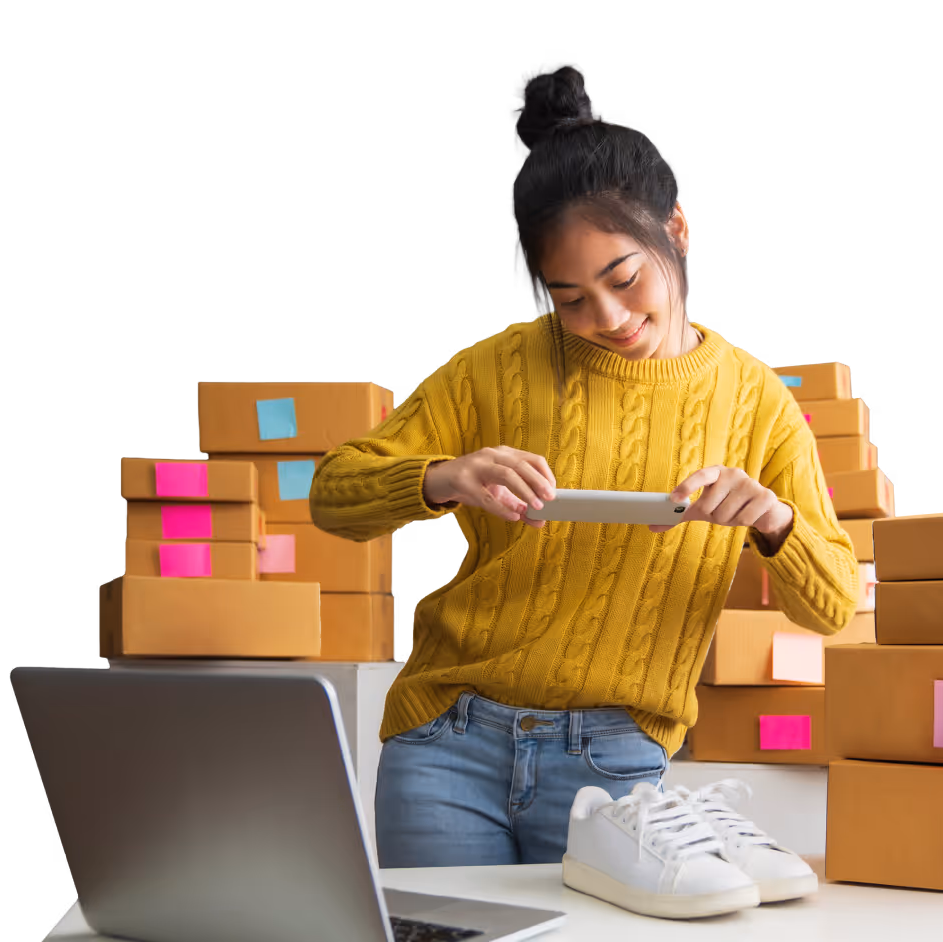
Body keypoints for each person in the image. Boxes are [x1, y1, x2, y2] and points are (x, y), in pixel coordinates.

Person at [309, 59, 859, 870]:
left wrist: (773, 521)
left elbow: (836, 605)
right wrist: (445, 476)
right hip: (446, 740)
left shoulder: (756, 402)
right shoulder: (496, 367)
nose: (607, 318)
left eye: (624, 278)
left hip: (616, 762)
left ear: (676, 230)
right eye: (568, 299)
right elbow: (331, 496)